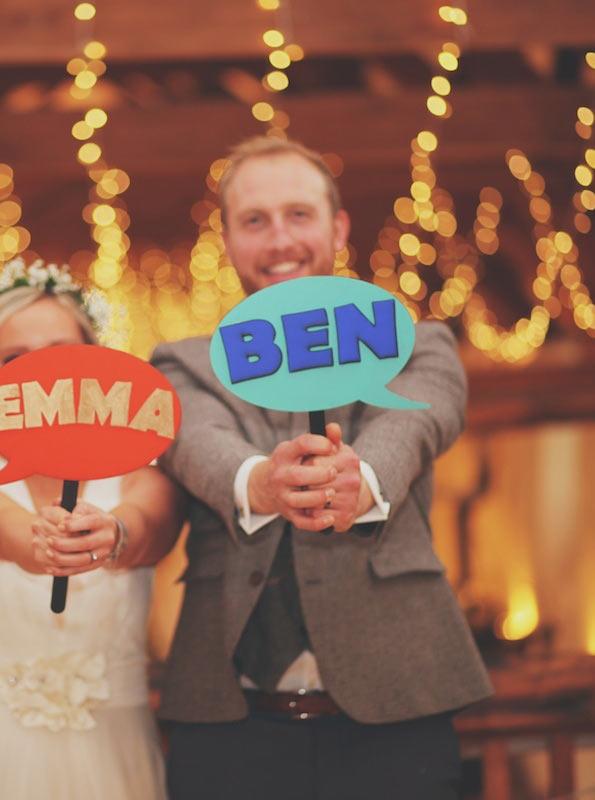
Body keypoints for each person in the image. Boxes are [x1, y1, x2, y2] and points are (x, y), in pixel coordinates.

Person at [151, 137, 493, 799]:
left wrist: (358, 478)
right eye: (255, 221)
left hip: (397, 719)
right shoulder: (180, 364)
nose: (279, 239)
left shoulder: (418, 342)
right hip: (229, 729)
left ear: (337, 228)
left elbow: (418, 421)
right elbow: (196, 445)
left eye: (299, 215)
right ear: (227, 240)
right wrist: (259, 482)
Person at [0, 259, 185, 799]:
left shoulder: (143, 477)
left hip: (112, 759)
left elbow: (149, 526)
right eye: (14, 360)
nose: (41, 377)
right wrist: (35, 538)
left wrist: (115, 535)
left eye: (59, 355)